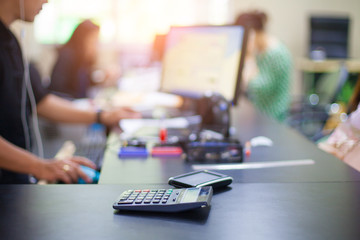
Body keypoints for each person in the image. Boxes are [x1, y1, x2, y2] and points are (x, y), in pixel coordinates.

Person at [0, 0, 141, 184]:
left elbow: (41, 101)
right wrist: (39, 166)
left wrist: (102, 116)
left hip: (16, 179)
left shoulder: (10, 42)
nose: (46, 1)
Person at [235, 10, 292, 122]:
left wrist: (248, 58)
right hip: (260, 114)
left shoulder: (276, 54)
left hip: (273, 118)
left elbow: (257, 88)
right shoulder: (262, 51)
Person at [48, 19, 102, 98]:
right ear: (82, 39)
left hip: (81, 103)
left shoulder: (83, 56)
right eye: (92, 40)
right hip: (69, 104)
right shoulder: (67, 55)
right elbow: (58, 88)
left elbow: (84, 82)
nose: (95, 45)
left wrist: (102, 78)